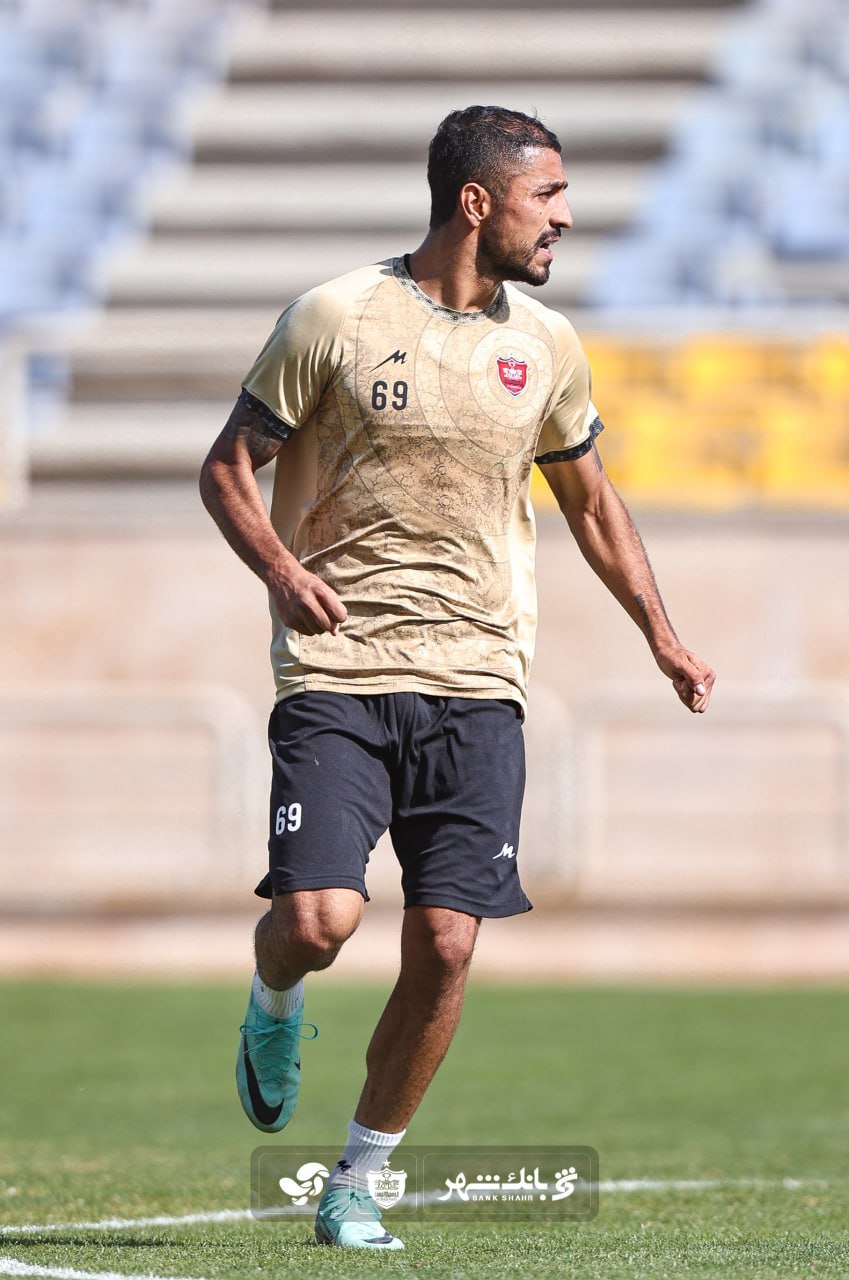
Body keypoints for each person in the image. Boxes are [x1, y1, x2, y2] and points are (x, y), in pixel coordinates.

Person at [199, 104, 715, 1251]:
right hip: (338, 668)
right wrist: (281, 569)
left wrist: (662, 634)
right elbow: (228, 465)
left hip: (481, 681)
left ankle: (357, 1180)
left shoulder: (551, 346)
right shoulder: (336, 316)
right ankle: (274, 1000)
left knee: (446, 943)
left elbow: (591, 501)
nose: (565, 217)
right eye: (549, 195)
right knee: (318, 919)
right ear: (477, 202)